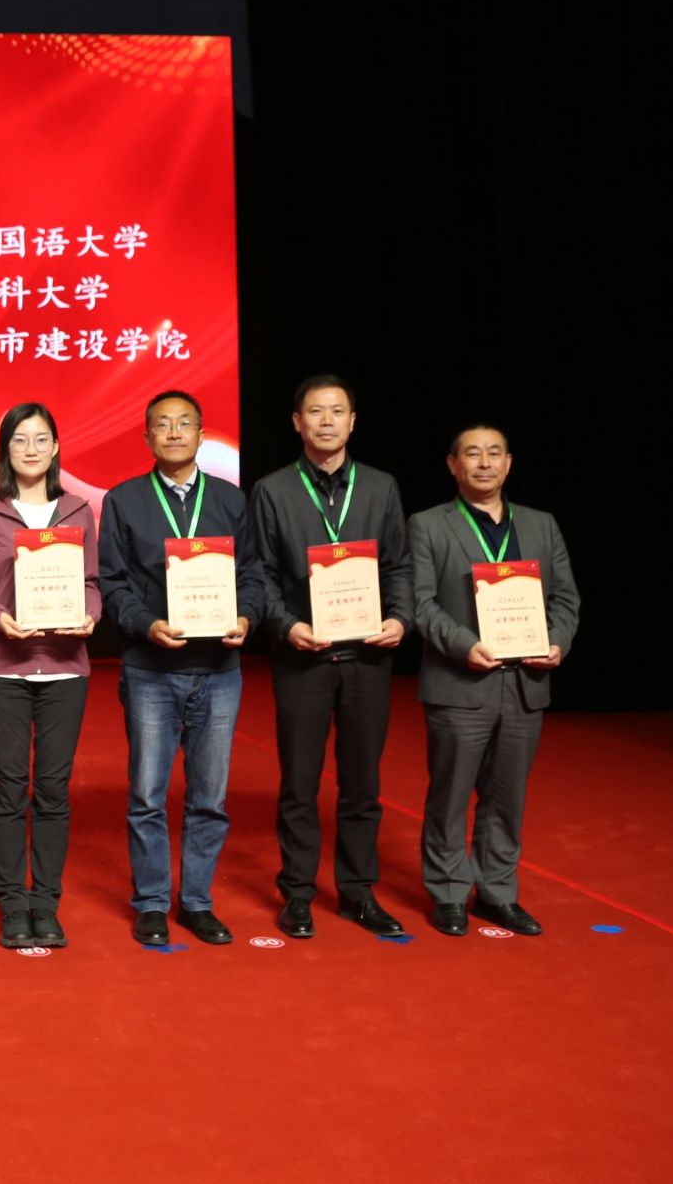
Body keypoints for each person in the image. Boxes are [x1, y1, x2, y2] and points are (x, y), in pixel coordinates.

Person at [95, 390, 262, 948]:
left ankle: (196, 902)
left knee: (209, 797)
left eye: (183, 423)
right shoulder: (123, 500)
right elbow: (113, 582)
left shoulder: (231, 500)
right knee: (147, 795)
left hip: (219, 668)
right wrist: (146, 625)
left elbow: (253, 574)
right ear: (147, 436)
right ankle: (150, 902)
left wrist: (247, 615)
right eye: (162, 424)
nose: (173, 432)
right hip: (150, 667)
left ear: (201, 434)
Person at [249, 375, 413, 940]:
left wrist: (401, 618)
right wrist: (286, 625)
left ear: (352, 422)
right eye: (315, 412)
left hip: (368, 656)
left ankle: (358, 893)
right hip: (304, 656)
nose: (326, 421)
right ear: (297, 422)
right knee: (300, 783)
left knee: (362, 783)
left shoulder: (381, 487)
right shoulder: (272, 490)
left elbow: (399, 565)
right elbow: (260, 573)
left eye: (336, 411)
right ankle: (297, 893)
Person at [409, 424, 580, 937]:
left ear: (509, 463)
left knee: (507, 798)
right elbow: (421, 603)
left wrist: (557, 641)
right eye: (472, 454)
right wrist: (465, 645)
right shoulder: (428, 525)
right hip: (460, 681)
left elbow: (566, 599)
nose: (484, 463)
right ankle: (449, 892)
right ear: (453, 464)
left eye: (494, 454)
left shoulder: (541, 524)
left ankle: (497, 893)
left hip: (525, 684)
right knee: (451, 796)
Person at [0, 403, 101, 949]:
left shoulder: (78, 510)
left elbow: (91, 582)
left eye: (41, 439)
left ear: (56, 447)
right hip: (4, 669)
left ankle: (47, 903)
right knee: (11, 788)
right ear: (6, 449)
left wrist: (91, 615)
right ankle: (13, 903)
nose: (31, 449)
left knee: (54, 791)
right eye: (20, 439)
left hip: (65, 669)